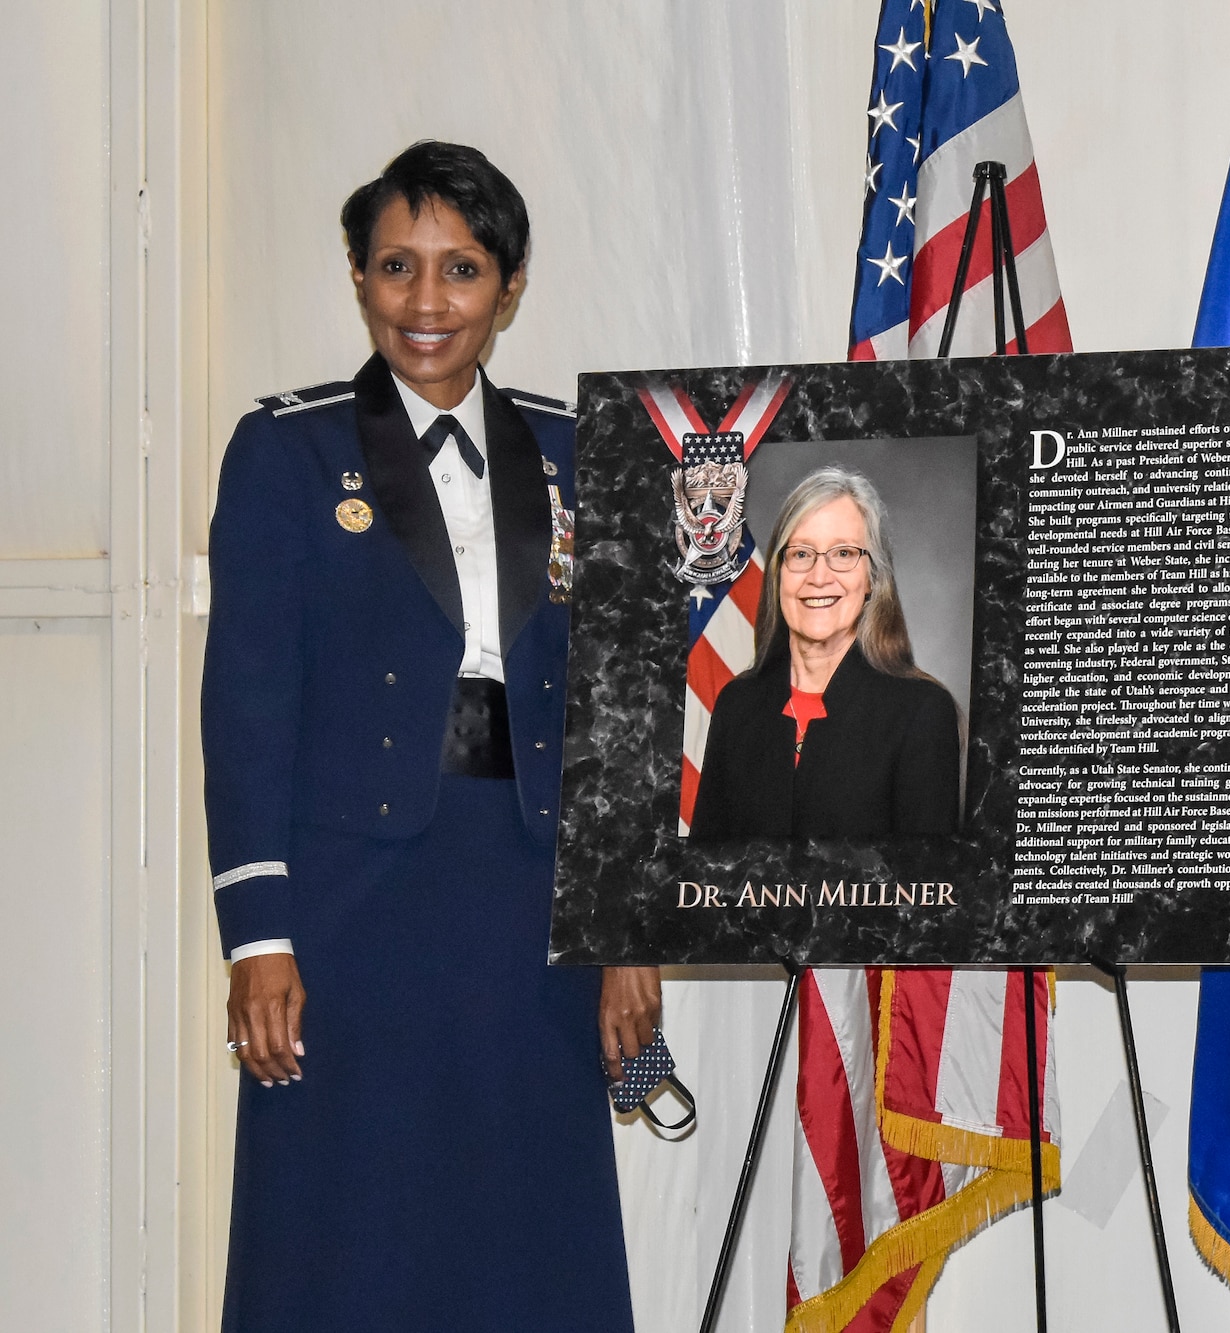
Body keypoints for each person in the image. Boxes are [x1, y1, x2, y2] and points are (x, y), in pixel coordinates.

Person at [203, 140, 659, 1331]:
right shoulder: (286, 452)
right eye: (397, 265)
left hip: (528, 900)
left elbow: (618, 704)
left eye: (460, 270)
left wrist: (624, 928)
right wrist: (258, 935)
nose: (426, 301)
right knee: (343, 1235)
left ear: (506, 290)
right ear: (358, 276)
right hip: (351, 909)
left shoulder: (578, 451)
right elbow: (246, 704)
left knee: (525, 1234)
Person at [689, 468, 960, 839]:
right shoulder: (737, 705)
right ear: (779, 573)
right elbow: (703, 877)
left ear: (872, 580)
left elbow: (926, 889)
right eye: (801, 553)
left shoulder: (923, 712)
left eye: (843, 553)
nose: (819, 576)